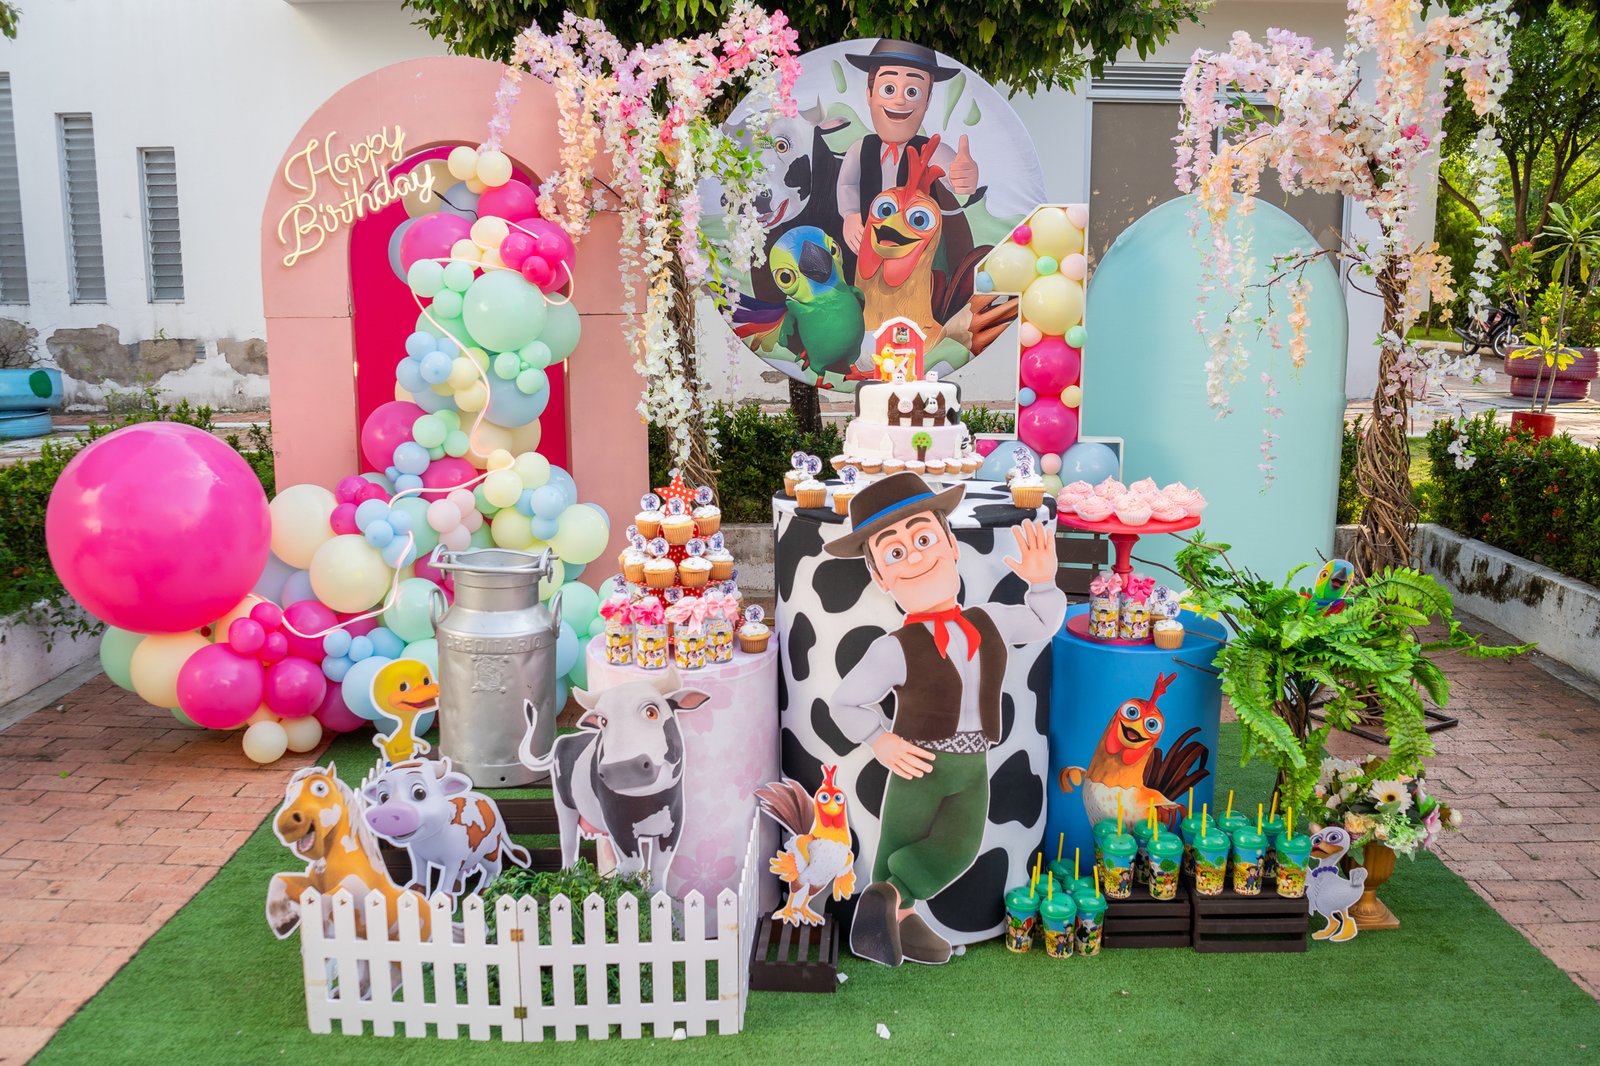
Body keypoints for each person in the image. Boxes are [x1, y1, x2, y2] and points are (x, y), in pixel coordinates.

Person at [824, 472, 1066, 966]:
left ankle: (890, 897)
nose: (914, 558)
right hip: (917, 765)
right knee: (898, 841)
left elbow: (1043, 621)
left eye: (923, 539)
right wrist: (880, 740)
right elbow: (844, 702)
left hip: (972, 766)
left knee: (960, 847)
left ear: (951, 545)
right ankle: (893, 918)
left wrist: (1042, 582)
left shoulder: (988, 619)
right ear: (880, 577)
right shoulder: (892, 648)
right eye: (894, 552)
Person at [835, 39, 980, 255]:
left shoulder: (932, 150)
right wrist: (850, 215)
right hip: (868, 245)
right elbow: (847, 184)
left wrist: (962, 177)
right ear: (869, 94)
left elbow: (951, 174)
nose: (900, 101)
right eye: (889, 89)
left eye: (912, 92)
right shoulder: (860, 149)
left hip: (917, 252)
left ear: (927, 101)